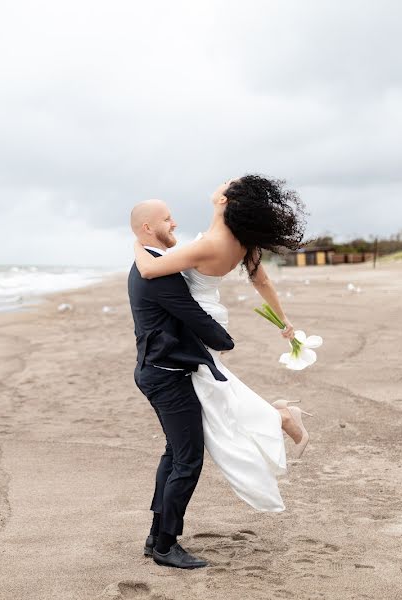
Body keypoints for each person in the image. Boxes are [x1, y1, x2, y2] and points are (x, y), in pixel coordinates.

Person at [132, 175, 312, 517]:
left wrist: (137, 244)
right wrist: (284, 320)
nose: (221, 184)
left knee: (215, 402)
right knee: (213, 393)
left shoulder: (210, 245)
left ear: (224, 201)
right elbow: (262, 280)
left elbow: (151, 269)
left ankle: (280, 417)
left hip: (198, 321)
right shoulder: (242, 242)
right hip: (211, 314)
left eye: (228, 184)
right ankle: (280, 416)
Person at [128, 199, 235, 569]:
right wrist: (225, 340)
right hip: (165, 376)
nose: (174, 223)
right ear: (146, 228)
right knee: (187, 459)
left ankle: (156, 536)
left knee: (175, 454)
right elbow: (192, 313)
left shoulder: (150, 264)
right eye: (166, 218)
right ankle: (166, 545)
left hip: (158, 371)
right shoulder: (156, 273)